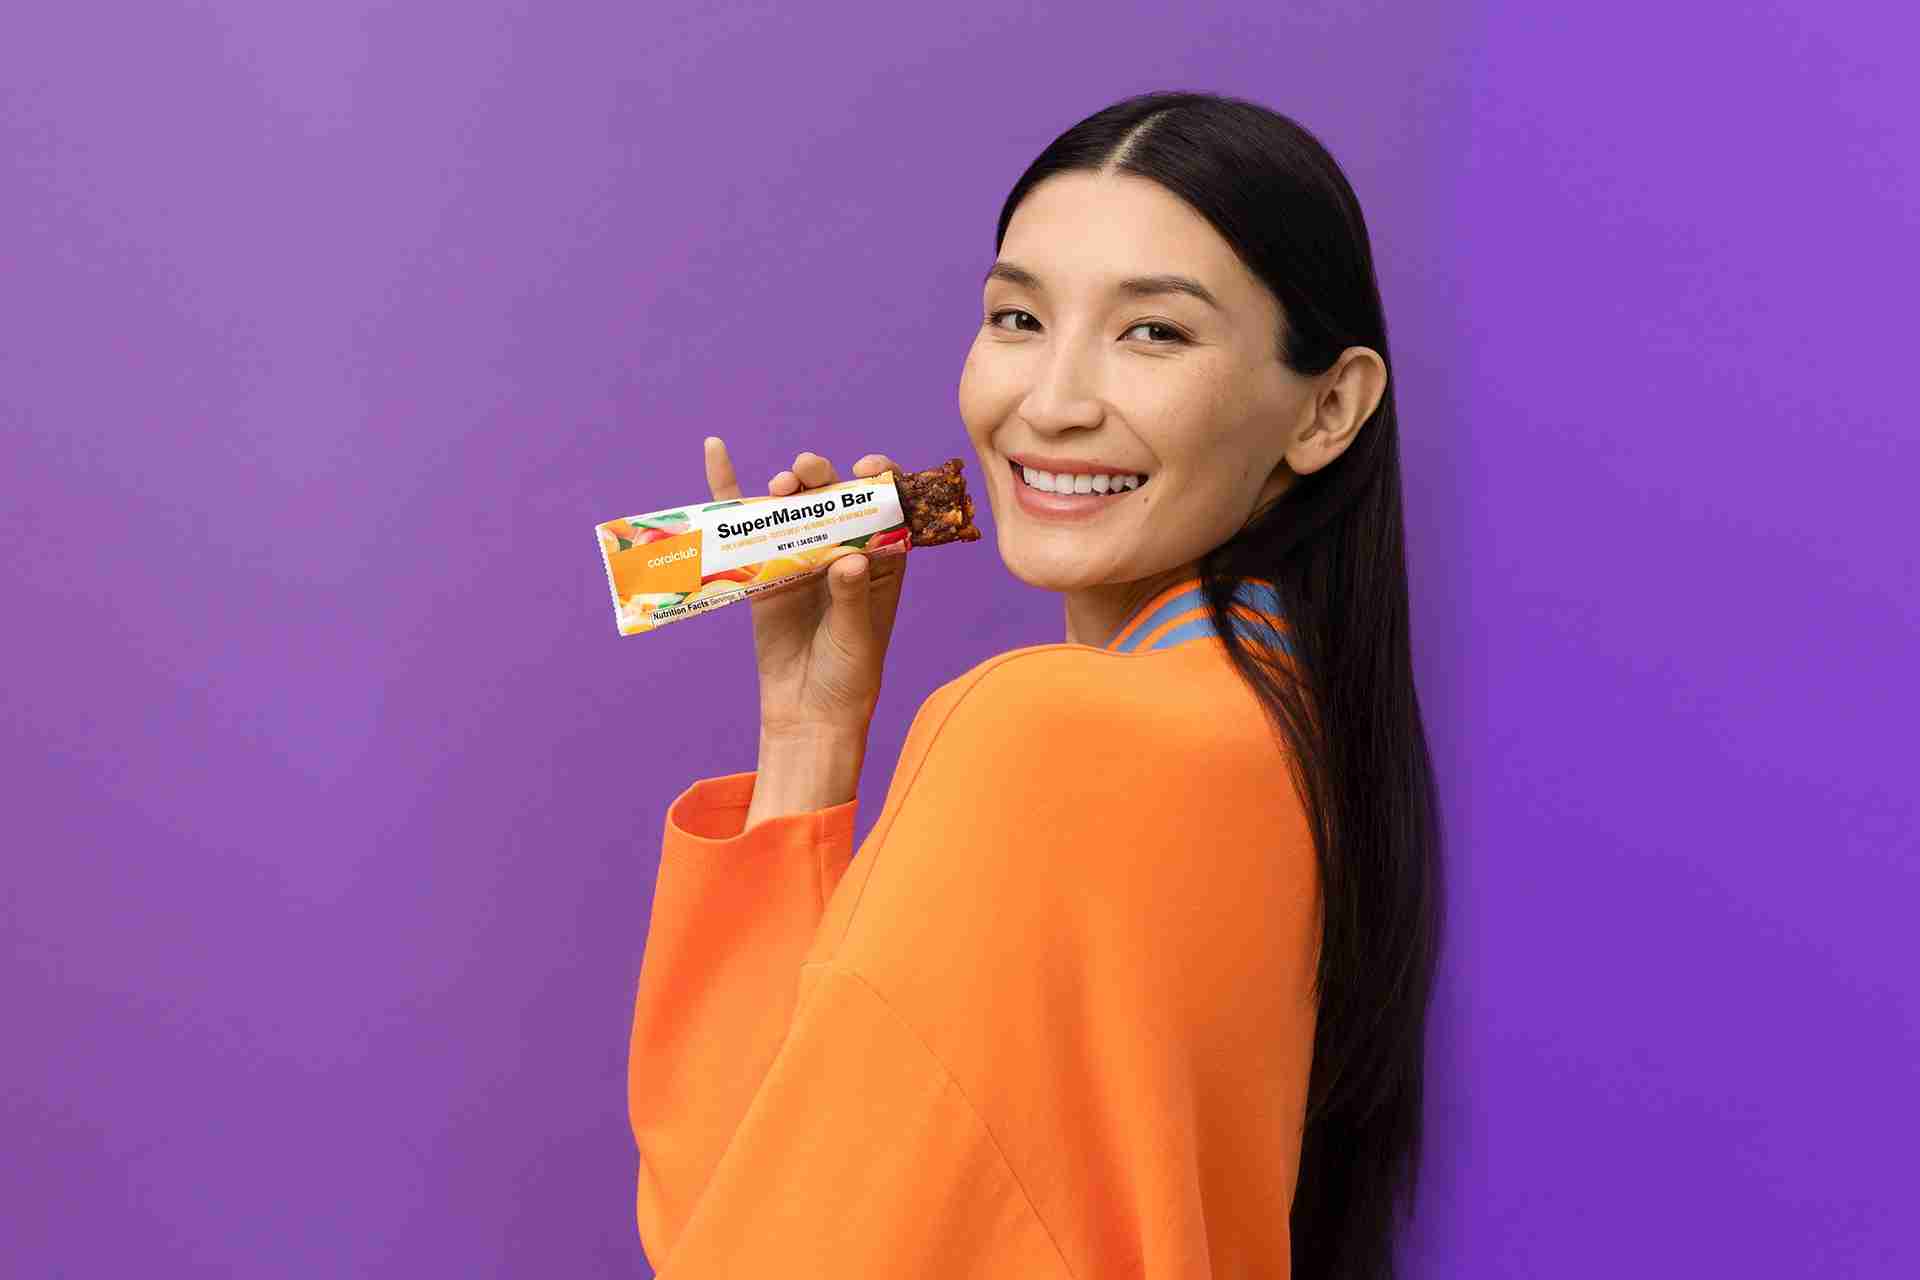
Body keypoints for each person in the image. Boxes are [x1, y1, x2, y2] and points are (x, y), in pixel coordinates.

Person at [628, 90, 1444, 1279]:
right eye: (1018, 317)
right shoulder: (1298, 732)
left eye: (1153, 332)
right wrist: (809, 733)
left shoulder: (1040, 729)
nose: (1051, 404)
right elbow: (756, 1209)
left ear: (1328, 409)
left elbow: (731, 1245)